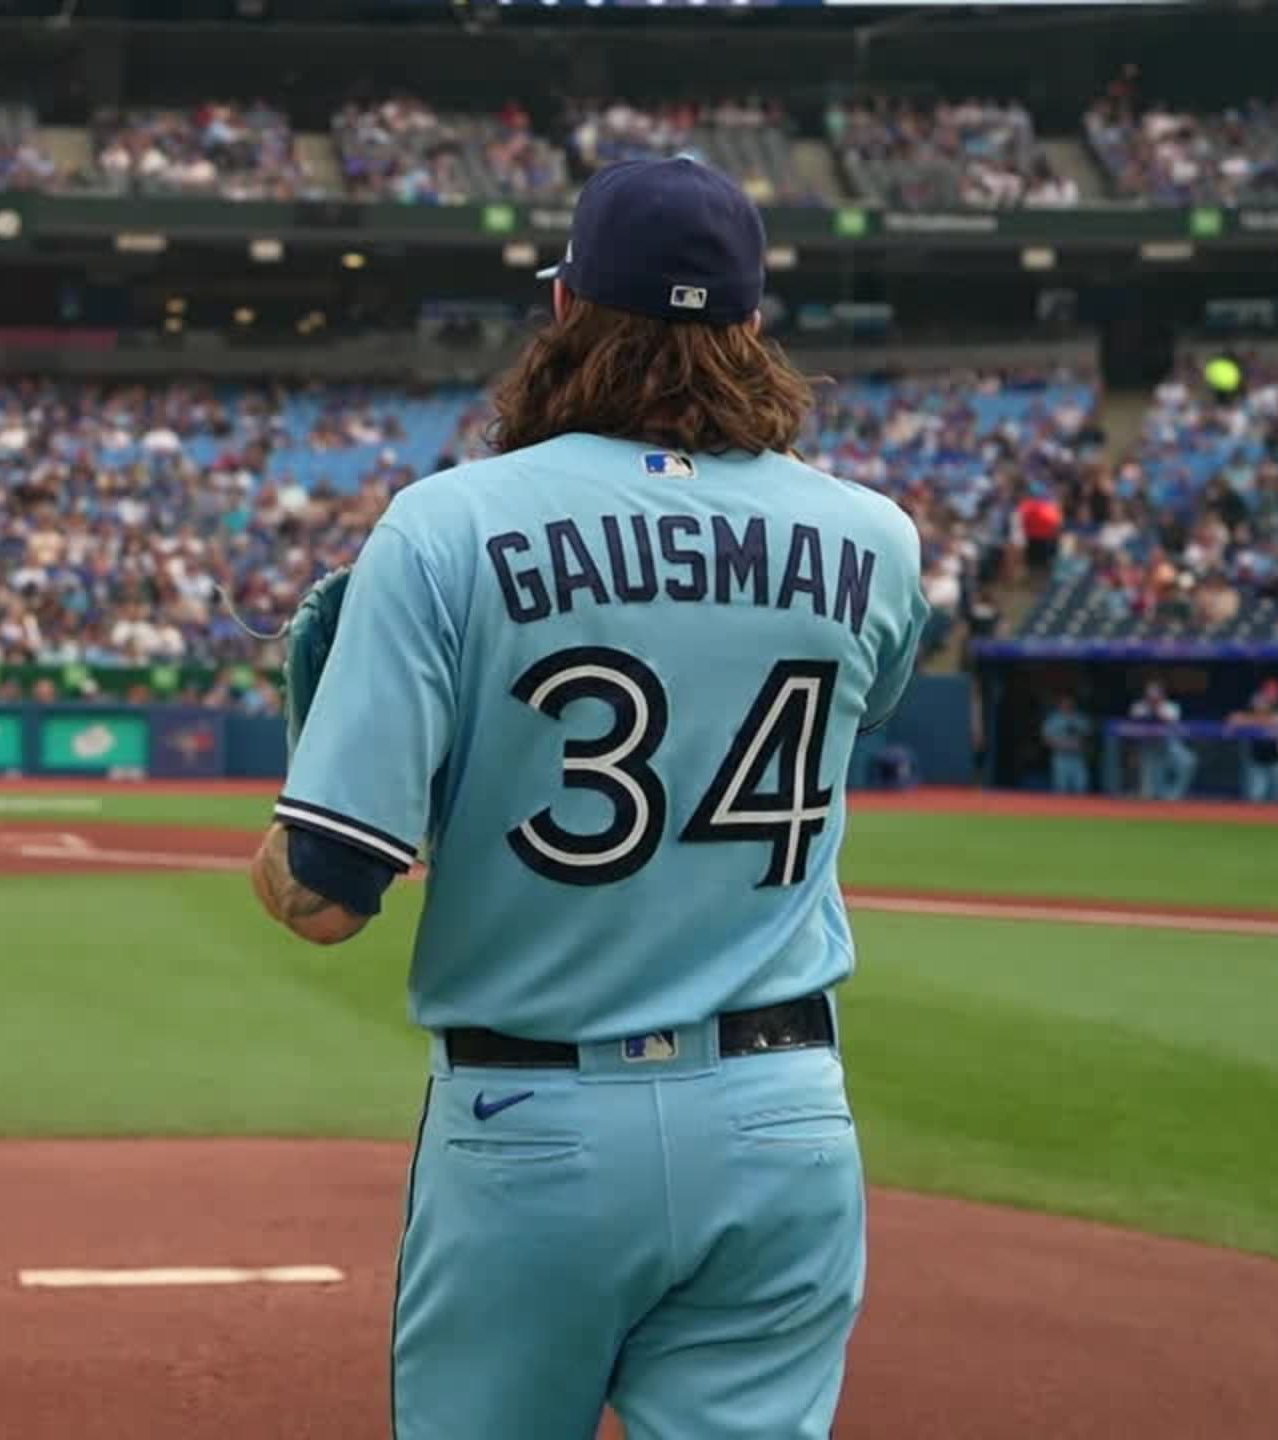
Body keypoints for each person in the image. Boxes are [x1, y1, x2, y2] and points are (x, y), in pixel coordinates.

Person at [247, 156, 930, 1440]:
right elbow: (864, 700)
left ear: (564, 310)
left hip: (533, 1125)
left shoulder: (444, 527)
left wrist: (306, 770)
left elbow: (325, 899)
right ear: (750, 328)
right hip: (785, 1120)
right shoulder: (876, 538)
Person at [1225, 678, 1278, 805]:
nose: (1270, 696)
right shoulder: (1251, 708)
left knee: (1276, 801)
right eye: (1268, 692)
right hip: (1256, 761)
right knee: (1254, 800)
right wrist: (1258, 718)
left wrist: (1253, 721)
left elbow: (1277, 721)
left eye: (1274, 693)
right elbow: (1233, 719)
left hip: (1277, 761)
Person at [1128, 680, 1196, 801]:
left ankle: (1173, 796)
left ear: (1162, 695)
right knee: (1148, 792)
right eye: (1150, 697)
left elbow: (1170, 720)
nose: (1153, 699)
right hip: (1147, 746)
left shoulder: (1171, 707)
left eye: (1156, 696)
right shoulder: (1139, 706)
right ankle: (1156, 800)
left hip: (1169, 745)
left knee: (1188, 762)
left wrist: (1156, 709)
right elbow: (1134, 721)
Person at [1041, 694, 1093, 795]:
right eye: (1064, 703)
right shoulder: (1053, 719)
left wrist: (1080, 743)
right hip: (1060, 757)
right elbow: (1046, 738)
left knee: (1081, 787)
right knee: (1061, 789)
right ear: (1060, 705)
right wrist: (1059, 745)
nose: (1067, 705)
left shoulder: (1080, 719)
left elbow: (1089, 736)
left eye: (1069, 703)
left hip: (1078, 757)